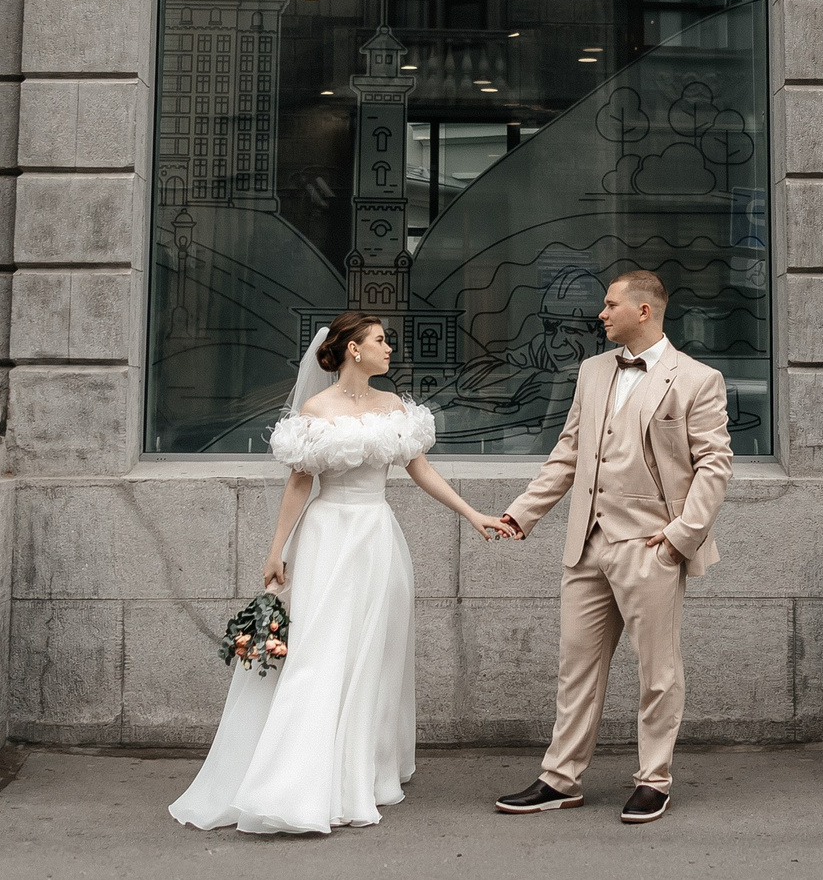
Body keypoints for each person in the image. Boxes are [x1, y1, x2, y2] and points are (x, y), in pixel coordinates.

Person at [169, 312, 509, 835]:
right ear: (353, 349)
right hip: (328, 537)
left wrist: (472, 513)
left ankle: (360, 773)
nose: (388, 348)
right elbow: (300, 485)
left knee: (373, 651)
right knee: (318, 653)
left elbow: (419, 469)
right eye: (380, 340)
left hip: (378, 538)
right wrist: (275, 550)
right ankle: (295, 782)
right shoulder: (316, 409)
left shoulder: (394, 406)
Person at [490, 269, 732, 826]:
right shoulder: (593, 371)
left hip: (650, 545)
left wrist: (677, 540)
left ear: (643, 311)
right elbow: (569, 452)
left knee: (658, 671)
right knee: (575, 668)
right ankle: (560, 779)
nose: (601, 313)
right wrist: (521, 514)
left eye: (609, 304)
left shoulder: (696, 379)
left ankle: (654, 780)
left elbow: (714, 466)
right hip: (588, 543)